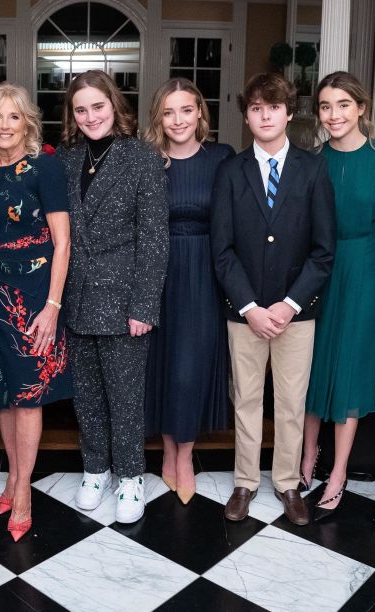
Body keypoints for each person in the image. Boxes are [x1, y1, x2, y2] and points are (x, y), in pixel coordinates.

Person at [211, 72, 336, 527]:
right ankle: (245, 480)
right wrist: (249, 306)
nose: (266, 115)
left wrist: (288, 305)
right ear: (246, 116)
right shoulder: (230, 170)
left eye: (274, 107)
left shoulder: (312, 169)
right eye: (257, 108)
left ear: (288, 112)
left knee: (290, 401)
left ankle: (286, 481)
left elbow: (324, 250)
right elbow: (221, 249)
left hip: (296, 315)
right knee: (245, 399)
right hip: (243, 313)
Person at [0, 82, 72, 542]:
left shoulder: (46, 168)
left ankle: (23, 488)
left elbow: (63, 242)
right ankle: (12, 476)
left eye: (14, 116)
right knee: (1, 388)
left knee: (28, 393)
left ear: (28, 121)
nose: (5, 125)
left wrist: (52, 307)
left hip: (34, 295)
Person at [59, 69, 168, 525]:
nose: (90, 116)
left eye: (97, 106)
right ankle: (95, 467)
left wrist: (144, 305)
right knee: (85, 393)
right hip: (75, 296)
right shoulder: (65, 159)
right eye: (80, 109)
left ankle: (130, 476)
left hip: (123, 297)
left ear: (114, 105)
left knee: (124, 395)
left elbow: (155, 238)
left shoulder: (142, 157)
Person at [299, 72, 375, 521]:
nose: (334, 114)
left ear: (361, 107)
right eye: (325, 106)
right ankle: (307, 457)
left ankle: (337, 472)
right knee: (312, 363)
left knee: (351, 367)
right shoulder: (312, 160)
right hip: (317, 269)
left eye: (343, 104)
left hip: (362, 267)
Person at [142, 77, 233, 505]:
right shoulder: (146, 160)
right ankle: (167, 452)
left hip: (205, 273)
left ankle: (185, 455)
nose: (177, 120)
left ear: (200, 112)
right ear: (159, 117)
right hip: (157, 273)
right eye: (168, 111)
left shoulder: (222, 158)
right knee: (162, 363)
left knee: (193, 366)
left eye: (186, 110)